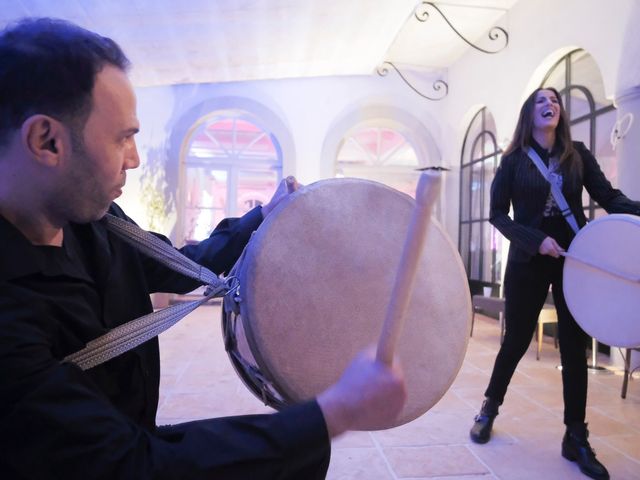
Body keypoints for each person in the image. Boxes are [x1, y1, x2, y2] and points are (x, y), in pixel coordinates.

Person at [0, 18, 407, 479]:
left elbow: (177, 265)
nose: (134, 159)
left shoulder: (90, 219)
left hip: (127, 435)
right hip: (104, 462)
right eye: (123, 138)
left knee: (304, 454)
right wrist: (338, 411)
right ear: (46, 141)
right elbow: (130, 466)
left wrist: (262, 217)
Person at [469, 87, 640, 480]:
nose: (550, 105)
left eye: (555, 101)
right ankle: (488, 409)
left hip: (573, 259)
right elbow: (497, 214)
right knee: (514, 342)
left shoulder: (577, 153)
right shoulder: (513, 159)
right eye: (540, 101)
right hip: (528, 261)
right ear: (529, 114)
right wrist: (534, 239)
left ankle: (575, 435)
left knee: (574, 346)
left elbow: (609, 198)